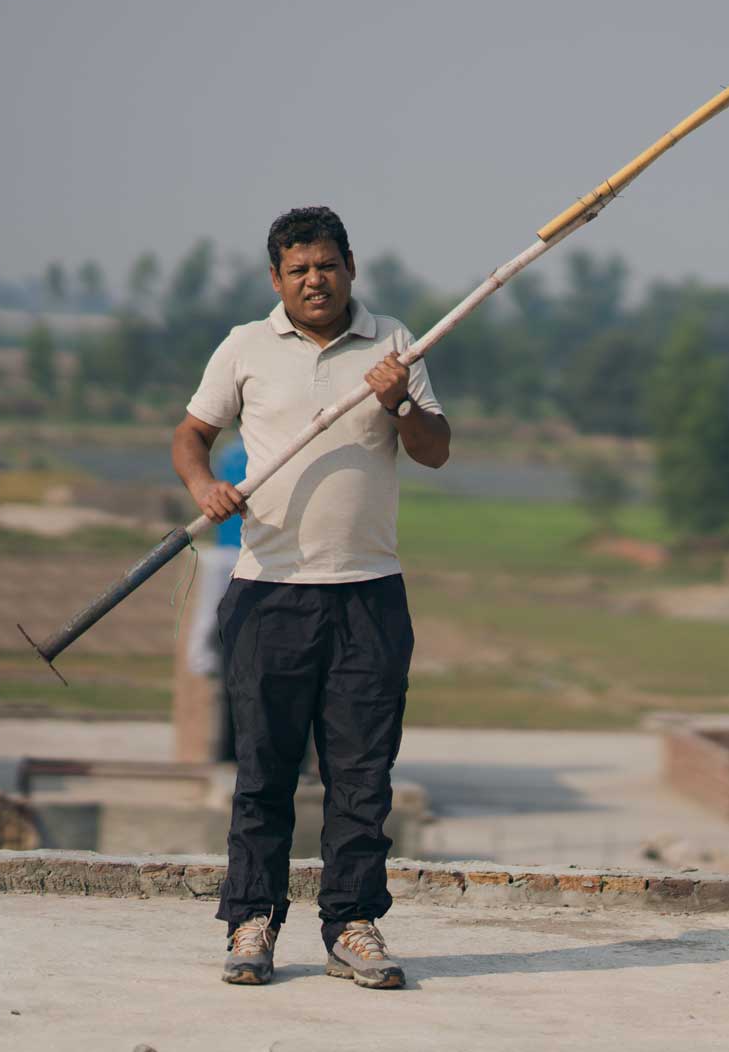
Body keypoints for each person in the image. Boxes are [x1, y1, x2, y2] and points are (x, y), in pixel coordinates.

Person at [173, 206, 451, 988]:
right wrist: (205, 486)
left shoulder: (396, 345)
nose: (314, 279)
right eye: (298, 269)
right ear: (276, 280)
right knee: (263, 768)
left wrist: (398, 402)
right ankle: (251, 922)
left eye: (326, 265)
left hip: (369, 594)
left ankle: (352, 925)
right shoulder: (246, 348)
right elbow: (190, 435)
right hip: (269, 594)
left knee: (362, 774)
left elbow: (435, 450)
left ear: (350, 267)